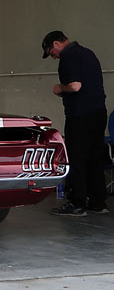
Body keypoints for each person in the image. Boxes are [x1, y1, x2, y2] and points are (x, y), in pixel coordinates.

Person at [42, 31, 108, 216]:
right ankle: (98, 202)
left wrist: (59, 88)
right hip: (98, 112)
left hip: (80, 116)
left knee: (77, 158)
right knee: (95, 157)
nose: (53, 57)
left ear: (56, 44)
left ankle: (77, 203)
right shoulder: (88, 53)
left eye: (51, 52)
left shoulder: (68, 56)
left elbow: (75, 86)